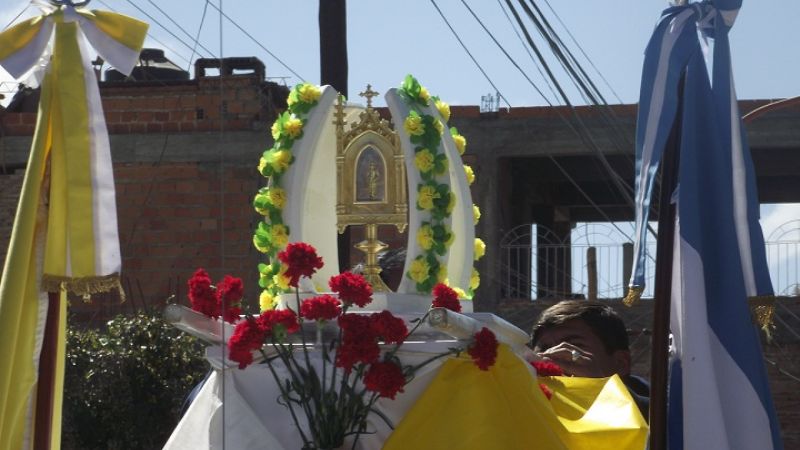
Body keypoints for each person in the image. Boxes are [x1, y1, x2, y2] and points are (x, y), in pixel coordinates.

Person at [530, 300, 650, 421]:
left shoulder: (660, 419)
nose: (555, 356)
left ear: (621, 363)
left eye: (574, 348)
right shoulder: (528, 407)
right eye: (545, 349)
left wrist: (602, 391)